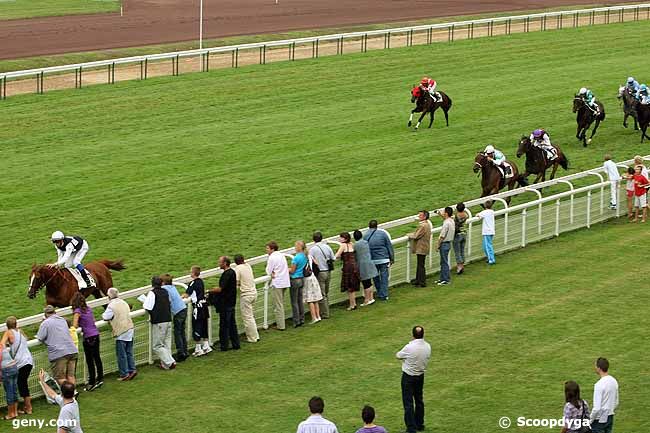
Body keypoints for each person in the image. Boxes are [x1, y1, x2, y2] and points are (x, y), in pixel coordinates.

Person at [396, 326, 431, 433]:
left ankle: (411, 428)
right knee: (419, 400)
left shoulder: (409, 347)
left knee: (408, 402)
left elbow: (398, 355)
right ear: (423, 334)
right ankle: (419, 424)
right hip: (420, 376)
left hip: (408, 377)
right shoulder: (427, 346)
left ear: (413, 335)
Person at [36, 305, 78, 386]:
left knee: (60, 378)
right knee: (71, 376)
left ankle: (68, 396)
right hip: (72, 350)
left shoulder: (45, 323)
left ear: (45, 314)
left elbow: (40, 337)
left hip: (59, 353)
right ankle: (73, 394)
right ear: (55, 312)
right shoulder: (62, 320)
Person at [102, 287, 137, 381]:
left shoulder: (111, 306)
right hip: (130, 328)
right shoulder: (123, 302)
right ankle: (132, 369)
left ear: (109, 296)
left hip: (121, 331)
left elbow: (105, 316)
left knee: (121, 354)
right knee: (129, 352)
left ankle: (124, 374)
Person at [141, 276, 175, 370]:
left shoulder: (152, 293)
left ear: (152, 284)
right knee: (166, 344)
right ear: (162, 283)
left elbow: (147, 306)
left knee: (157, 346)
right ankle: (166, 365)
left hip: (159, 322)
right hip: (168, 319)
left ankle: (170, 362)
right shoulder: (165, 291)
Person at [71, 293, 103, 392]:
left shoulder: (77, 311)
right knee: (97, 358)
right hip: (96, 335)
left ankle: (91, 382)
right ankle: (100, 378)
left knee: (90, 360)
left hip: (88, 337)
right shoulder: (88, 309)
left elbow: (75, 325)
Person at [1, 317, 33, 414]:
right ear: (16, 324)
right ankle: (23, 407)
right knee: (21, 384)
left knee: (21, 384)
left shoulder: (8, 332)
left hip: (20, 361)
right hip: (29, 360)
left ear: (7, 326)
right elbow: (26, 339)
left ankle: (28, 408)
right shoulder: (20, 331)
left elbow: (2, 344)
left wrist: (8, 345)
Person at [208, 256, 241, 351]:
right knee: (232, 324)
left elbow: (220, 289)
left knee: (224, 325)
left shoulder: (227, 274)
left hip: (225, 303)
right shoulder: (232, 272)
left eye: (220, 262)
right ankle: (236, 344)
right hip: (231, 302)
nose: (219, 264)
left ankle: (224, 346)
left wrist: (210, 290)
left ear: (225, 263)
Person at [183, 266, 212, 356]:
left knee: (197, 325)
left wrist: (180, 297)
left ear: (193, 273)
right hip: (204, 306)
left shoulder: (192, 283)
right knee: (204, 325)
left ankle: (198, 348)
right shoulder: (201, 282)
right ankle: (206, 346)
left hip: (197, 307)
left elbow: (186, 294)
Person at [364, 220, 394, 301]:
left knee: (376, 278)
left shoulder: (366, 235)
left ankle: (380, 292)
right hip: (384, 259)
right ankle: (384, 295)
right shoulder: (383, 234)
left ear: (369, 226)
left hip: (373, 260)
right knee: (384, 277)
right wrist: (392, 258)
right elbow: (389, 246)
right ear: (377, 226)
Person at [161, 274, 189, 362]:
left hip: (178, 312)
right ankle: (185, 351)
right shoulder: (172, 287)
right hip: (183, 309)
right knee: (181, 331)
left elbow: (168, 301)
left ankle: (181, 353)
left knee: (177, 332)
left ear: (164, 282)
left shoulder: (165, 289)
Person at [308, 232, 336, 319]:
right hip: (328, 271)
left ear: (313, 240)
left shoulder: (312, 249)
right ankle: (326, 310)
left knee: (322, 294)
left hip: (320, 273)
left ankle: (325, 313)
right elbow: (333, 258)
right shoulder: (327, 246)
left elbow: (310, 260)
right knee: (326, 293)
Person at [233, 255, 259, 343]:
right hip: (254, 293)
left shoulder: (238, 268)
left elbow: (236, 282)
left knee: (248, 318)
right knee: (251, 316)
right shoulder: (248, 266)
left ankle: (252, 338)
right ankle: (255, 335)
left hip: (246, 295)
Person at [265, 241, 290, 331]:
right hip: (285, 282)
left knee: (278, 305)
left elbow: (268, 271)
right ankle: (281, 323)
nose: (266, 250)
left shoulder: (272, 258)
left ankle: (281, 326)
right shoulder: (281, 255)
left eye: (267, 248)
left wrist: (271, 272)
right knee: (280, 303)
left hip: (278, 283)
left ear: (272, 249)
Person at [590, 357, 619, 433]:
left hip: (598, 421)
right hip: (610, 417)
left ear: (599, 368)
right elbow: (616, 402)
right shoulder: (614, 381)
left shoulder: (599, 385)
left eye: (595, 366)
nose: (595, 368)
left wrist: (590, 420)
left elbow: (596, 408)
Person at [335, 232, 360, 310]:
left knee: (349, 287)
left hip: (348, 267)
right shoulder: (351, 244)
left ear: (345, 239)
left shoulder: (343, 245)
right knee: (352, 285)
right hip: (354, 266)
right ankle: (353, 303)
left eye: (341, 238)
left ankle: (352, 305)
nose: (339, 239)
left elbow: (337, 255)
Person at [353, 230, 378, 306]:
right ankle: (371, 298)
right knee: (369, 282)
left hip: (363, 266)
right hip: (369, 263)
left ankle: (367, 300)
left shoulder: (356, 245)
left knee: (366, 284)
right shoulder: (365, 242)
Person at [408, 210, 432, 287]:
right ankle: (418, 280)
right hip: (423, 247)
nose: (419, 216)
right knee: (420, 264)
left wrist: (409, 235)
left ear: (425, 217)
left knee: (420, 265)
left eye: (420, 215)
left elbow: (416, 236)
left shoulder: (423, 225)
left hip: (421, 247)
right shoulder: (426, 224)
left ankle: (422, 282)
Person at [288, 241, 308, 328]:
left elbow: (292, 271)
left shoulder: (296, 258)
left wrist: (285, 268)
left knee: (294, 302)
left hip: (295, 279)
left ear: (299, 247)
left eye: (295, 246)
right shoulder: (304, 256)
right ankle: (302, 318)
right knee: (300, 300)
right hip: (301, 279)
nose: (295, 247)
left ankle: (296, 321)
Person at [436, 207, 455, 286]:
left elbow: (442, 236)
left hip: (444, 243)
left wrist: (437, 245)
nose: (443, 213)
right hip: (448, 243)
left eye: (444, 212)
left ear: (446, 213)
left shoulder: (446, 223)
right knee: (443, 262)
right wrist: (439, 213)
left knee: (444, 262)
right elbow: (445, 218)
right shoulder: (451, 221)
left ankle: (446, 280)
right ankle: (442, 278)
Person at [1, 336, 19, 420]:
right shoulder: (2, 345)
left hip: (7, 370)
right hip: (14, 367)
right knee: (14, 389)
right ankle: (15, 412)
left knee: (9, 392)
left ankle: (10, 414)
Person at [477, 201, 496, 265]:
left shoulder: (484, 212)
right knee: (486, 246)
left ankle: (491, 259)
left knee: (487, 246)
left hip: (487, 232)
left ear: (485, 206)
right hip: (491, 231)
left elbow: (478, 215)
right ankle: (489, 258)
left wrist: (477, 214)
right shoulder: (492, 212)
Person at [453, 202, 469, 275]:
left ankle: (459, 266)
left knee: (457, 252)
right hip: (464, 234)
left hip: (457, 235)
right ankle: (462, 265)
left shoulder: (457, 216)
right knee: (462, 251)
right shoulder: (466, 215)